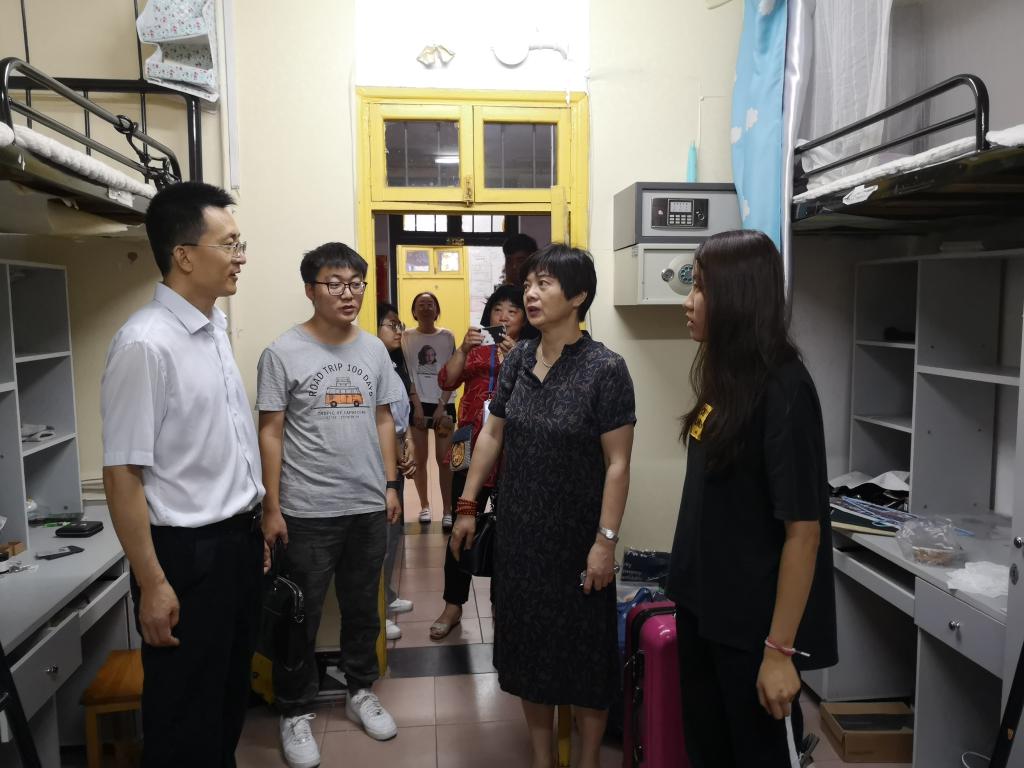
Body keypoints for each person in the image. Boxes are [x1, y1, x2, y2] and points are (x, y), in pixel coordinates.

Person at [451, 245, 635, 768]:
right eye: (529, 283)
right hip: (521, 536)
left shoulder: (605, 368)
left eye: (545, 284)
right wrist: (468, 503)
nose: (530, 294)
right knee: (530, 650)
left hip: (579, 539)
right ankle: (541, 757)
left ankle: (588, 758)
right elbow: (491, 434)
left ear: (577, 297)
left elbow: (618, 464)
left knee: (585, 654)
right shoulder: (517, 361)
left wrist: (605, 543)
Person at [101, 181, 265, 768]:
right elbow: (122, 472)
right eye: (230, 244)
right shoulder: (145, 344)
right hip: (187, 558)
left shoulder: (212, 326)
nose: (240, 256)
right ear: (185, 255)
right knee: (183, 717)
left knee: (226, 701)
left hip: (236, 545)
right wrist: (152, 582)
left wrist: (253, 521)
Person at [667, 229, 837, 767]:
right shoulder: (727, 379)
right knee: (708, 752)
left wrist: (779, 652)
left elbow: (803, 533)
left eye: (700, 287)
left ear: (737, 296)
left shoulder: (785, 389)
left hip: (752, 630)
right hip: (704, 611)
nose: (688, 301)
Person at [257, 243, 403, 768]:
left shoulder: (374, 350)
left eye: (356, 284)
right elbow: (270, 432)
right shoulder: (282, 352)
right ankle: (294, 710)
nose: (349, 294)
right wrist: (272, 506)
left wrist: (390, 484)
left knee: (364, 608)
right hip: (307, 510)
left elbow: (383, 417)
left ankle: (360, 690)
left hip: (366, 505)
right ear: (310, 289)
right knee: (301, 615)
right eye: (335, 283)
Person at [429, 284, 537, 640]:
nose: (503, 317)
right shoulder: (475, 350)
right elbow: (446, 379)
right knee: (462, 526)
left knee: (510, 531)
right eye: (497, 310)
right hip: (468, 447)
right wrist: (463, 348)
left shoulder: (533, 352)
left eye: (512, 311)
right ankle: (453, 604)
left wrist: (516, 359)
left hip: (512, 451)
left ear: (525, 319)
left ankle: (502, 605)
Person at [377, 301, 417, 641]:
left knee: (393, 533)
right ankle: (377, 611)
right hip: (381, 461)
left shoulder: (392, 364)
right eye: (391, 324)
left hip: (398, 452)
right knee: (382, 537)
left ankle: (386, 596)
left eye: (399, 324)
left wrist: (410, 445)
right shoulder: (372, 366)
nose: (398, 330)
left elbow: (401, 416)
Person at [401, 291, 457, 528]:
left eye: (430, 304)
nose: (425, 308)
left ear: (437, 310)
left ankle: (447, 510)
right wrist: (416, 406)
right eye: (421, 304)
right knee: (420, 459)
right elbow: (407, 372)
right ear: (414, 311)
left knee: (445, 460)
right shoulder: (406, 337)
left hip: (444, 402)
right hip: (418, 403)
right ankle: (424, 506)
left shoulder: (447, 337)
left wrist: (441, 405)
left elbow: (453, 372)